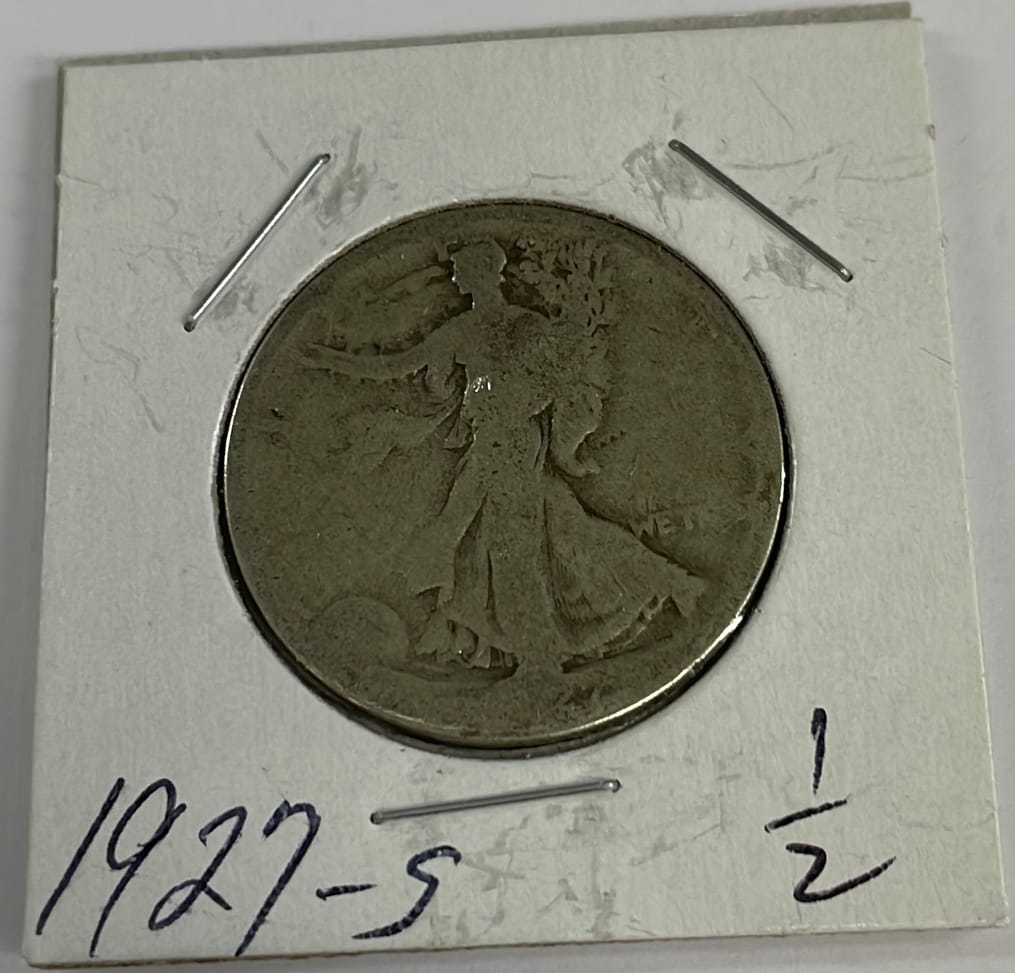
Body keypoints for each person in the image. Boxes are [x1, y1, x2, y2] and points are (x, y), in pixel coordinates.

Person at [304, 240, 704, 675]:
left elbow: (553, 386)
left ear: (482, 273)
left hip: (507, 447)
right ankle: (671, 584)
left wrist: (522, 418)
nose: (455, 278)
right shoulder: (475, 327)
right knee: (552, 530)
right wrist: (331, 359)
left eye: (460, 270)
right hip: (496, 444)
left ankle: (539, 660)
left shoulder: (519, 327)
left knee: (509, 552)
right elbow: (399, 366)